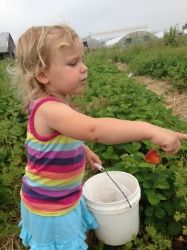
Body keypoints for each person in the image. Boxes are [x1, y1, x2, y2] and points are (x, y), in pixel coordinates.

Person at [15, 24, 187, 250]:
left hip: (61, 198)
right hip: (50, 209)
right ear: (43, 74)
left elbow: (58, 140)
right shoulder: (49, 109)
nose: (84, 68)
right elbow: (94, 130)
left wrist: (82, 150)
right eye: (72, 63)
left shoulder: (57, 104)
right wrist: (151, 130)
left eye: (82, 59)